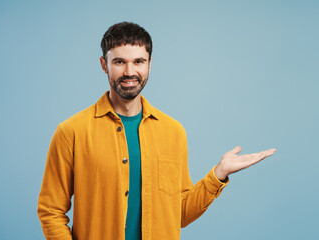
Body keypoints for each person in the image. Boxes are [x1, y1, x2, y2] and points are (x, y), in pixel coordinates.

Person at [37, 22, 276, 240]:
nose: (130, 72)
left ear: (150, 64)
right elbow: (50, 210)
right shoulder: (71, 132)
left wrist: (218, 175)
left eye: (139, 61)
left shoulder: (173, 131)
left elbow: (179, 213)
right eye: (119, 62)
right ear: (104, 65)